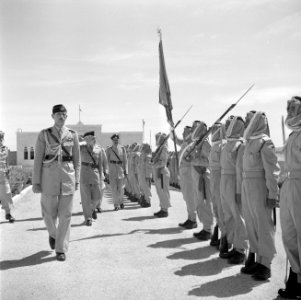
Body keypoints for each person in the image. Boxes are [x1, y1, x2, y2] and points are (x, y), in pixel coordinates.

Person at [32, 104, 80, 261]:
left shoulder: (73, 135)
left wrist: (77, 179)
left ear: (67, 116)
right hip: (49, 178)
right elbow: (38, 159)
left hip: (67, 178)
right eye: (58, 114)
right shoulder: (44, 134)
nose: (61, 116)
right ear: (52, 116)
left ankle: (61, 249)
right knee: (48, 213)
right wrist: (36, 181)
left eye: (64, 114)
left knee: (65, 215)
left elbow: (77, 160)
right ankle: (54, 234)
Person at [238, 111, 280, 280]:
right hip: (247, 185)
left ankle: (266, 264)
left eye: (249, 119)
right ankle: (255, 258)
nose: (246, 121)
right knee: (251, 223)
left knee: (263, 225)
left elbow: (272, 171)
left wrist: (273, 193)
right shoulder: (249, 142)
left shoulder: (265, 142)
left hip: (260, 185)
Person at [278, 96, 301, 298]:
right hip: (289, 185)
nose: (290, 112)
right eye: (289, 109)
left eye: (294, 109)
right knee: (289, 234)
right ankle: (296, 275)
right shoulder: (293, 135)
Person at [219, 116, 248, 264]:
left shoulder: (240, 145)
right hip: (224, 180)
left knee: (237, 216)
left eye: (230, 123)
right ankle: (232, 245)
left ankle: (241, 250)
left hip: (233, 180)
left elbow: (239, 169)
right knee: (228, 215)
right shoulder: (227, 144)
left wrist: (238, 191)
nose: (227, 125)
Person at [190, 121, 214, 241]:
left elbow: (209, 162)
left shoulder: (205, 144)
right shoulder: (196, 143)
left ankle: (208, 229)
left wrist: (195, 160)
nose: (193, 129)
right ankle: (205, 227)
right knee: (199, 203)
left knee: (205, 203)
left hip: (203, 176)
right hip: (197, 176)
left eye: (195, 127)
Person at [79, 131, 107, 226]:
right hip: (84, 175)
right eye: (91, 137)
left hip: (95, 175)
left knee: (97, 197)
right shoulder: (81, 148)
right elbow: (72, 146)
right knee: (86, 198)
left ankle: (91, 210)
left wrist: (101, 175)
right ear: (86, 139)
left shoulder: (99, 149)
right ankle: (88, 218)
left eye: (94, 137)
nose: (94, 138)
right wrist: (82, 142)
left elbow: (100, 164)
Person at [172, 126, 197, 229]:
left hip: (189, 173)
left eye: (184, 131)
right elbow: (175, 139)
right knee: (187, 196)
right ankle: (190, 217)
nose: (182, 133)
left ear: (190, 132)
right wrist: (172, 131)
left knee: (190, 196)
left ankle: (193, 220)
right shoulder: (185, 142)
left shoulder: (193, 143)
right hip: (184, 173)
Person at [208, 122, 227, 247]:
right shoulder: (214, 146)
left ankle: (225, 237)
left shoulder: (223, 145)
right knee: (216, 207)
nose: (213, 131)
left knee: (222, 209)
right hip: (214, 179)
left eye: (216, 129)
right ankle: (219, 230)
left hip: (221, 178)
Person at [106, 134, 128, 211]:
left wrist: (126, 171)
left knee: (121, 189)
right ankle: (116, 205)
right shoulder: (109, 149)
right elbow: (106, 161)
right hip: (112, 171)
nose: (116, 141)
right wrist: (106, 172)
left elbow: (125, 160)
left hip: (120, 170)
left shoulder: (122, 148)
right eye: (114, 140)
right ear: (112, 140)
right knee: (114, 189)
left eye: (117, 140)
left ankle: (121, 201)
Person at [152, 132, 171, 218]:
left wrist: (153, 164)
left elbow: (162, 162)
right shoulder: (160, 148)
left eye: (158, 138)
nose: (157, 140)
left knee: (163, 192)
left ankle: (165, 210)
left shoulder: (164, 148)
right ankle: (162, 208)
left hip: (162, 171)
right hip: (158, 171)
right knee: (160, 191)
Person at [0, 131, 15, 223]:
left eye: (1, 137)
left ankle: (8, 213)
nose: (1, 139)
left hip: (3, 174)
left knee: (7, 194)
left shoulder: (4, 148)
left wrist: (8, 171)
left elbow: (6, 161)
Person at [138, 143, 153, 207]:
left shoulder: (148, 155)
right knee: (142, 188)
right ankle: (143, 200)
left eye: (144, 147)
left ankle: (147, 201)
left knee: (146, 189)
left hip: (145, 175)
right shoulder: (142, 154)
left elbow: (148, 167)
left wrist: (148, 176)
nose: (142, 148)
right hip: (141, 174)